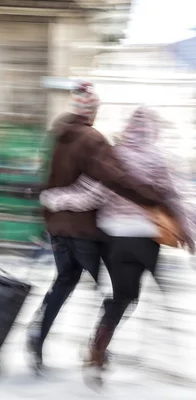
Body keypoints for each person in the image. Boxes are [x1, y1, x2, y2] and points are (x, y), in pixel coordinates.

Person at [25, 82, 187, 373]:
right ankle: (99, 345)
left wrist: (48, 206)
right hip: (88, 232)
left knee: (67, 282)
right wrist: (153, 198)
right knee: (117, 293)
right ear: (92, 111)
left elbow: (61, 183)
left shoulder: (58, 138)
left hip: (63, 228)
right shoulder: (95, 140)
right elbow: (116, 182)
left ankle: (42, 336)